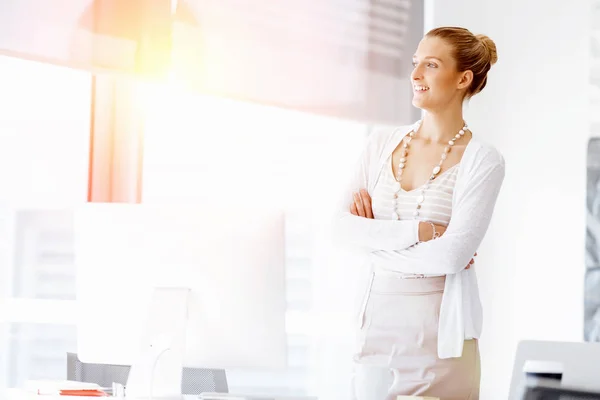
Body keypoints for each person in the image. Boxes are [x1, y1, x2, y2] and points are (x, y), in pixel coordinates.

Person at [333, 26, 505, 400]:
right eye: (415, 64)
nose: (415, 75)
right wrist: (423, 231)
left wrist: (373, 239)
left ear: (463, 78)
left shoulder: (482, 160)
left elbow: (452, 255)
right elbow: (340, 229)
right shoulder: (380, 143)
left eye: (430, 64)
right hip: (375, 332)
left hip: (442, 344)